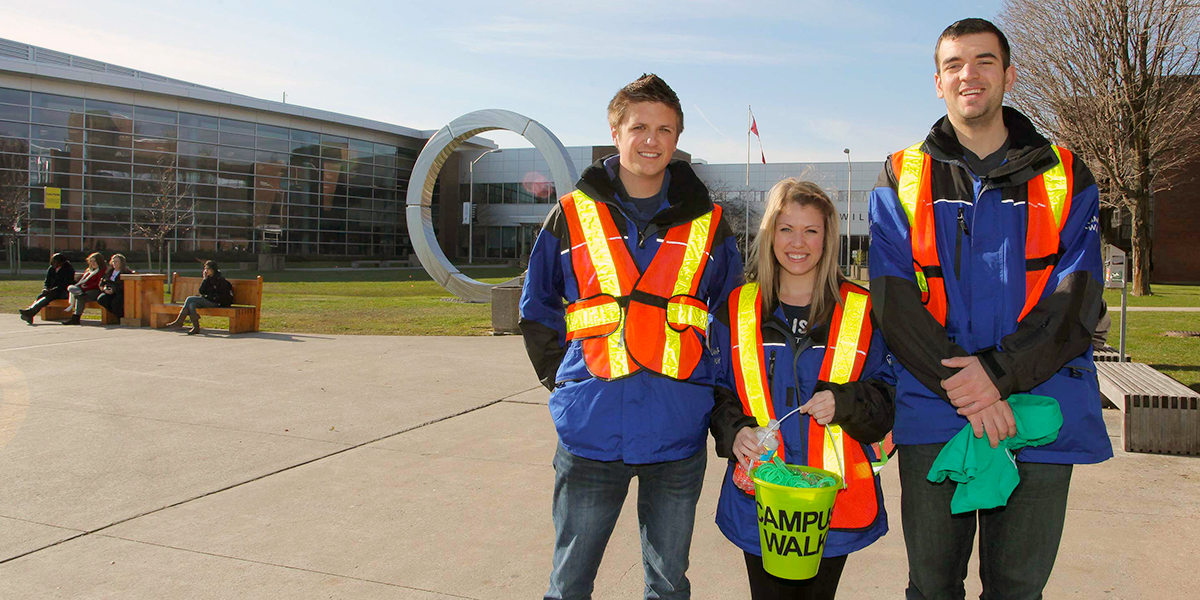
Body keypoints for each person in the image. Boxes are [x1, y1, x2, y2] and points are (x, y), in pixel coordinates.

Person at [868, 18, 1111, 600]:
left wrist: (998, 376)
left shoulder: (1067, 172)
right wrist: (972, 388)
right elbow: (893, 299)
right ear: (937, 81)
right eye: (954, 64)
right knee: (930, 587)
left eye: (983, 61)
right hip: (936, 407)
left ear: (1009, 74)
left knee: (1018, 588)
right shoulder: (903, 173)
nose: (968, 75)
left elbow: (1076, 298)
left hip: (1042, 404)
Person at [519, 73, 743, 600]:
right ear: (615, 132)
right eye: (639, 126)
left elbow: (731, 321)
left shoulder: (712, 224)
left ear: (678, 137)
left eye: (665, 129)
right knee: (569, 584)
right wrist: (564, 383)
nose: (651, 140)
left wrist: (710, 398)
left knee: (668, 587)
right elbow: (537, 307)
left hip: (677, 434)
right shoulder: (572, 214)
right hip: (590, 431)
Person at [708, 178, 895, 600]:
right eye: (786, 229)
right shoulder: (735, 309)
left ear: (827, 238)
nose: (798, 242)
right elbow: (717, 393)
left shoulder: (862, 311)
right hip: (760, 496)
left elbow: (888, 400)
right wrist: (735, 430)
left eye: (811, 230)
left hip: (832, 502)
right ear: (769, 233)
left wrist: (845, 403)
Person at [166, 260, 234, 335]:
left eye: (208, 269)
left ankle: (179, 321)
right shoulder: (208, 279)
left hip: (216, 302)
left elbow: (222, 295)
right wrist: (204, 279)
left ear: (212, 270)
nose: (206, 271)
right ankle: (196, 327)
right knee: (192, 305)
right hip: (208, 301)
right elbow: (202, 291)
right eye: (205, 269)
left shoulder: (220, 280)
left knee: (189, 299)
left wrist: (211, 297)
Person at [19, 253, 75, 325]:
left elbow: (65, 284)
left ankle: (30, 311)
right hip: (52, 292)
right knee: (41, 296)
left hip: (64, 292)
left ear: (62, 262)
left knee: (49, 295)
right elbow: (47, 281)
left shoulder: (68, 269)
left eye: (56, 261)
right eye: (53, 261)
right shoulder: (51, 269)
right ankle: (30, 313)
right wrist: (45, 288)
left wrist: (51, 290)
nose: (54, 263)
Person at [62, 252, 107, 325]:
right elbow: (81, 282)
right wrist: (83, 286)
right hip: (84, 290)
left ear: (99, 261)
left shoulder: (102, 270)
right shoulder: (89, 271)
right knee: (71, 288)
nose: (92, 263)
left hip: (95, 290)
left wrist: (87, 287)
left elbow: (98, 283)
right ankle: (80, 296)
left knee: (80, 297)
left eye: (94, 261)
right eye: (91, 261)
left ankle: (75, 318)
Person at [96, 253, 134, 319]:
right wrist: (104, 289)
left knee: (116, 302)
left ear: (121, 263)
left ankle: (120, 317)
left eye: (116, 261)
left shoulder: (126, 272)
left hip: (119, 292)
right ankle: (115, 314)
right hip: (107, 291)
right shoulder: (109, 272)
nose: (114, 263)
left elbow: (124, 285)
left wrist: (114, 290)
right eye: (113, 261)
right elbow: (102, 281)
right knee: (101, 299)